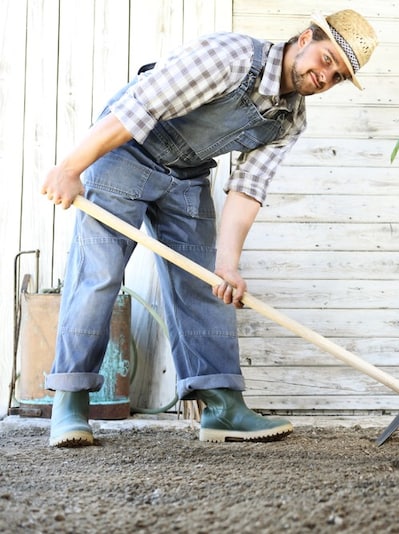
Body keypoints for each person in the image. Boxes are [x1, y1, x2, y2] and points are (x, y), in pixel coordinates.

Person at [40, 10, 378, 447]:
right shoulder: (232, 57)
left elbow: (248, 188)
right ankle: (70, 404)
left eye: (338, 75)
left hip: (187, 171)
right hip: (128, 149)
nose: (325, 75)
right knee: (99, 272)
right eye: (327, 59)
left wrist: (228, 264)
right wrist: (70, 167)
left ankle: (222, 406)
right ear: (306, 37)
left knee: (206, 282)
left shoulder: (291, 119)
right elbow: (139, 108)